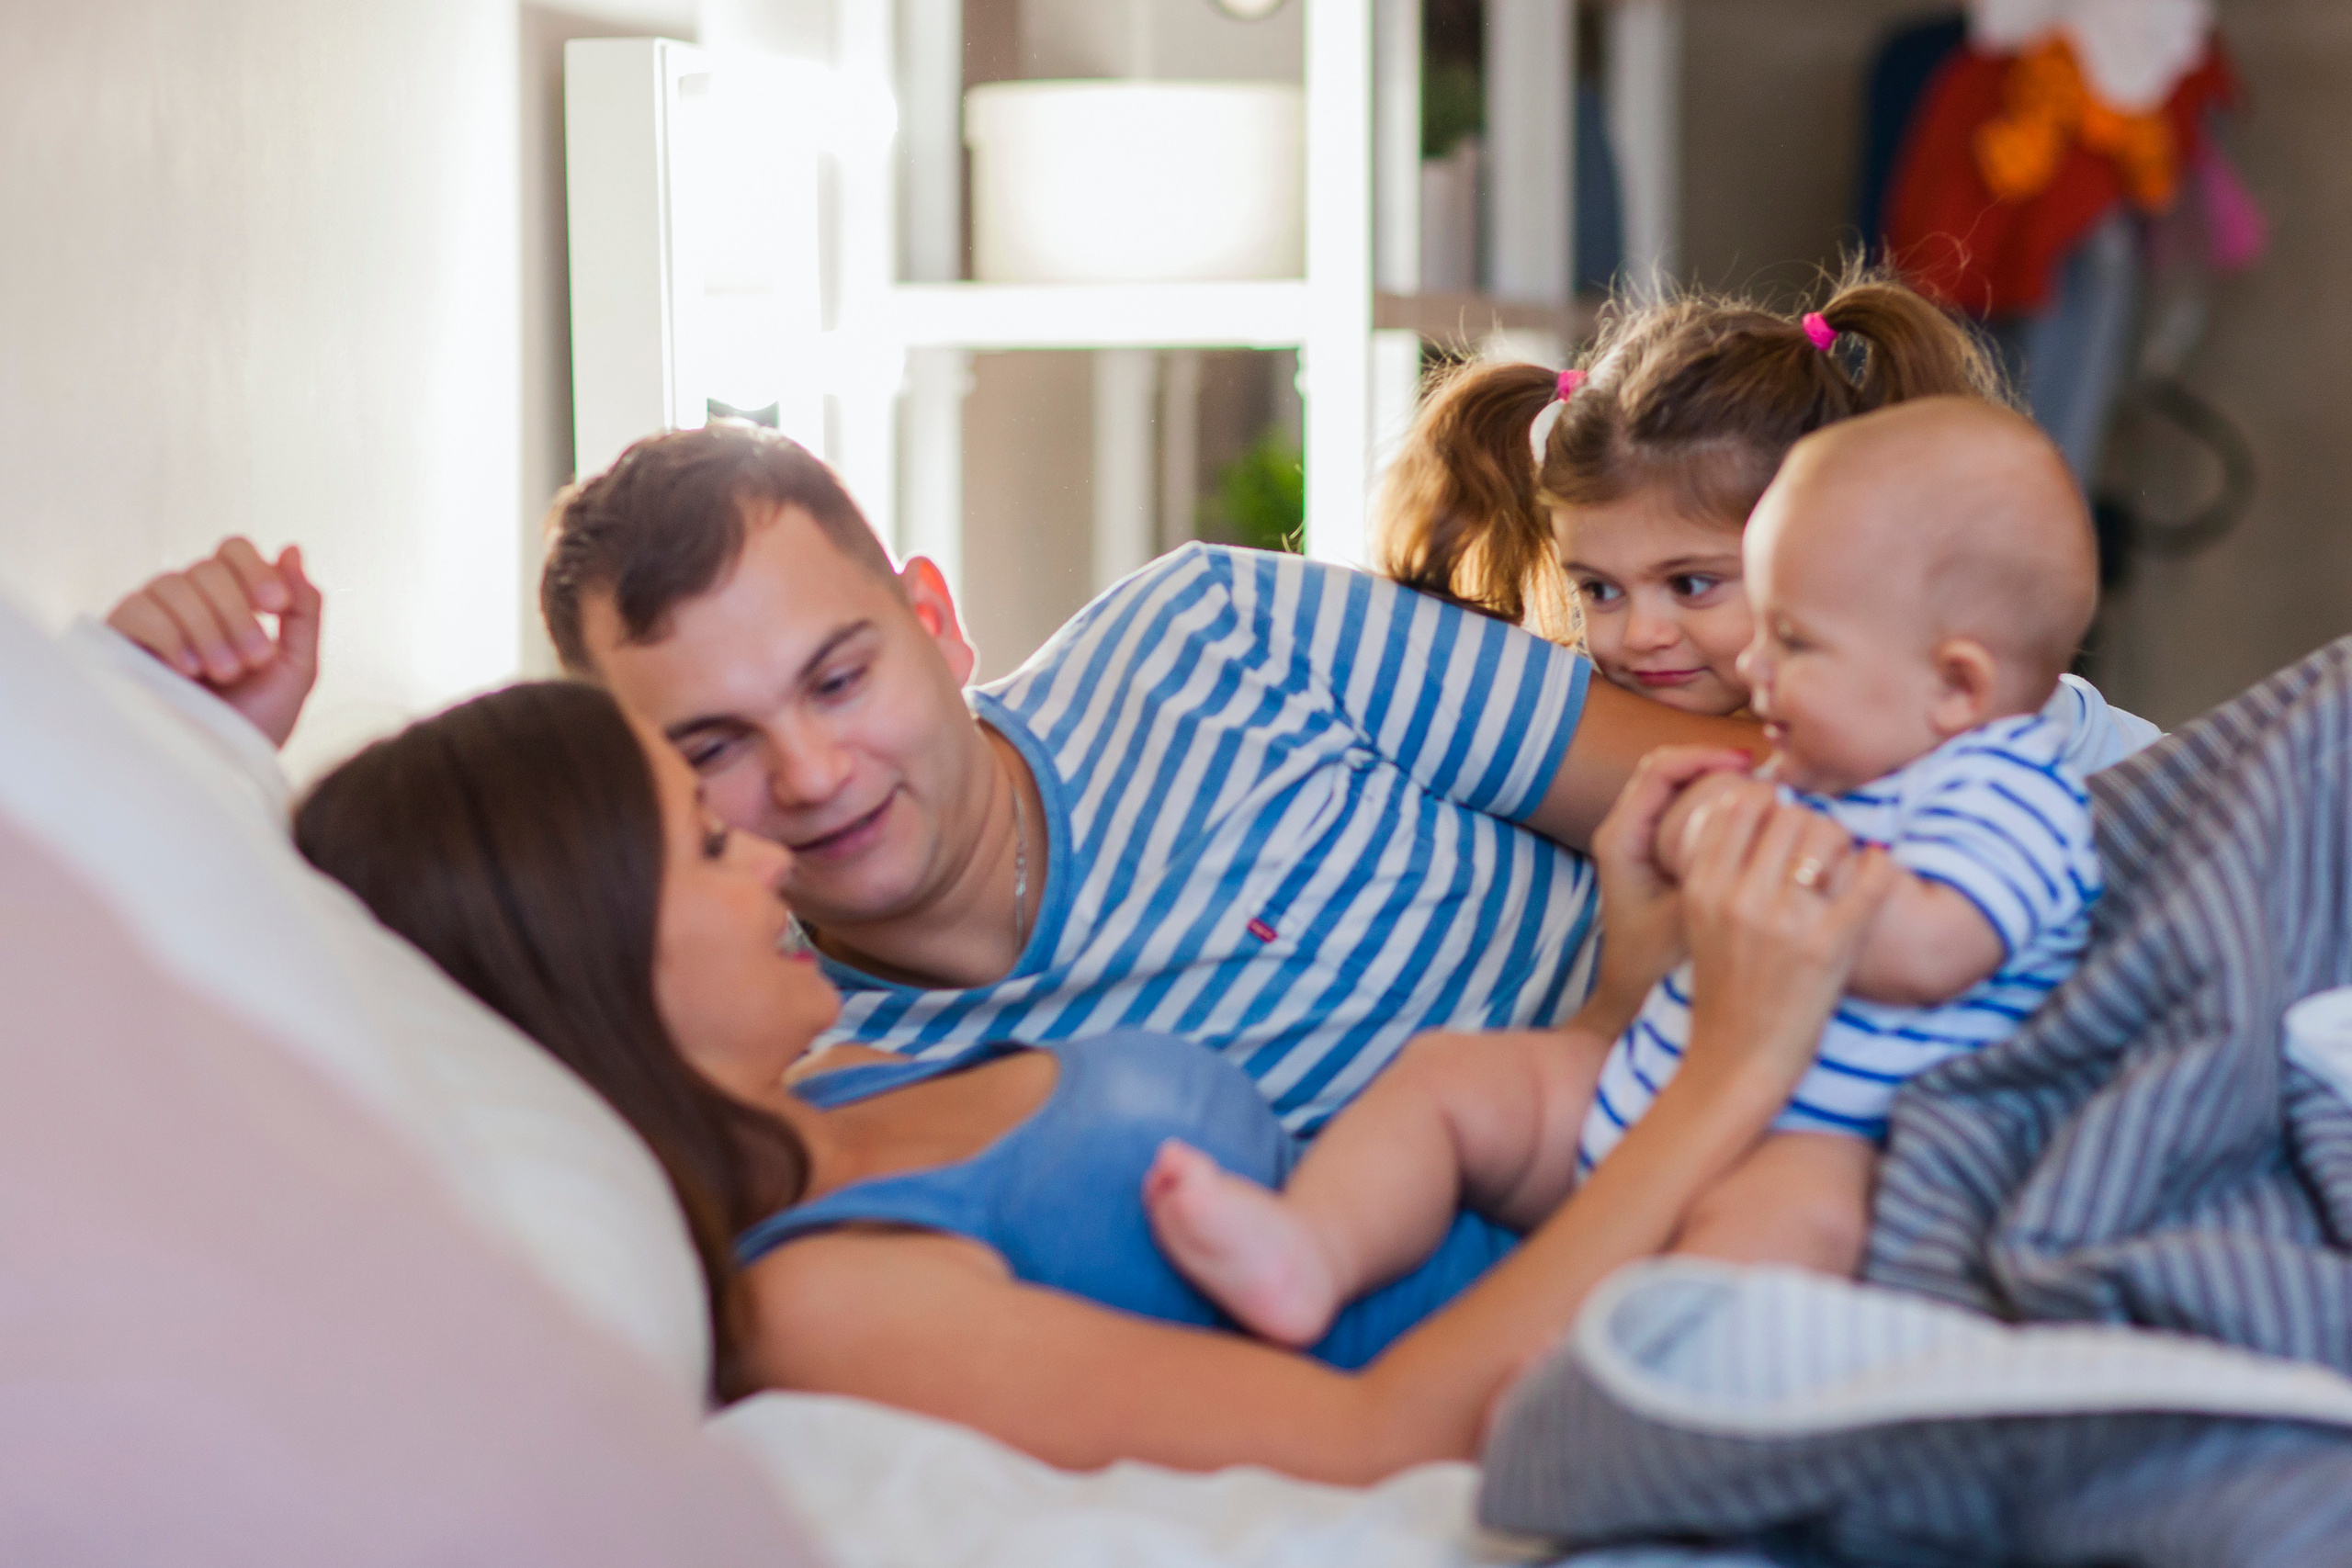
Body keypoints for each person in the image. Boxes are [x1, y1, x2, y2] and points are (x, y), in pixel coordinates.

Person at [267, 673, 1890, 1483]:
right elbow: (1369, 1431)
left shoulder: (856, 1089)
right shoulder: (823, 1305)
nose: (772, 853)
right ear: (592, 950)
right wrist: (1728, 1069)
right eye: (707, 844)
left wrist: (1628, 984)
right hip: (1630, 1335)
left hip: (1619, 1206)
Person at [111, 426, 1755, 1139]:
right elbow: (324, 1035)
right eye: (715, 748)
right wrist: (183, 730)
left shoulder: (1224, 635)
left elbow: (1738, 781)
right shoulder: (775, 1050)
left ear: (937, 619)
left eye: (840, 678)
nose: (814, 775)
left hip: (1792, 1025)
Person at [1147, 399, 2103, 1347]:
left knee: (1795, 1219)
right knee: (1450, 1079)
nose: (1754, 666)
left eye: (1796, 643)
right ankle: (1311, 1248)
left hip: (1818, 1136)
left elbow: (1934, 950)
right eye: (1762, 626)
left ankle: (1652, 1398)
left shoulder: (2008, 788)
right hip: (1639, 1091)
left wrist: (1763, 854)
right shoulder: (1826, 769)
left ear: (1955, 686)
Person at [1374, 268, 2161, 773]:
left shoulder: (1937, 712)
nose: (1637, 632)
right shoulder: (1641, 705)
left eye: (1690, 583)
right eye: (1599, 590)